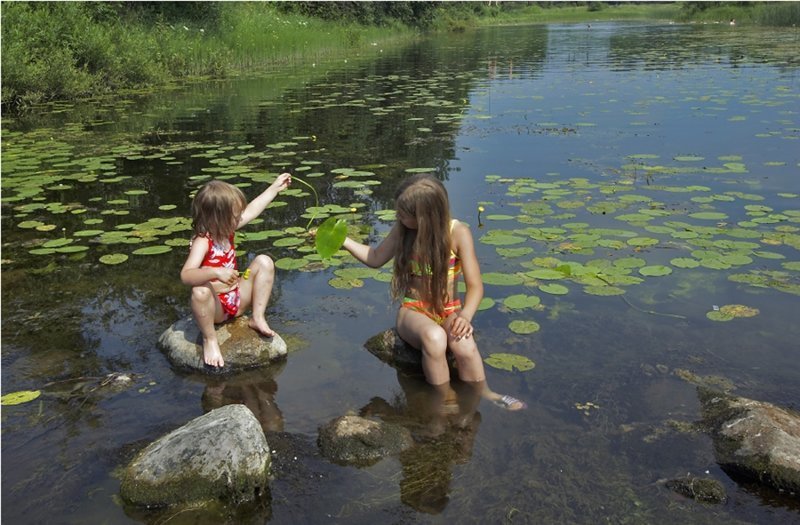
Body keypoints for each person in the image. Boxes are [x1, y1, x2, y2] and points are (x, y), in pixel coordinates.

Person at [341, 173, 526, 410]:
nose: (398, 216)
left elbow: (476, 286)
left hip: (449, 311)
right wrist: (343, 241)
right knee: (434, 338)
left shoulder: (458, 233)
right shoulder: (403, 231)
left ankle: (485, 393)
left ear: (425, 217)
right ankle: (444, 396)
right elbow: (375, 258)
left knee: (464, 345)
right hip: (413, 310)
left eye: (403, 213)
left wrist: (466, 317)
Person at [181, 173, 292, 368]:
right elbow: (186, 275)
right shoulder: (203, 241)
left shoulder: (227, 230)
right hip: (216, 308)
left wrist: (275, 187)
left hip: (238, 299)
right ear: (216, 218)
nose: (239, 218)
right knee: (199, 291)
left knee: (264, 261)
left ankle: (257, 317)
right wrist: (215, 272)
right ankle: (211, 340)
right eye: (235, 216)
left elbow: (254, 209)